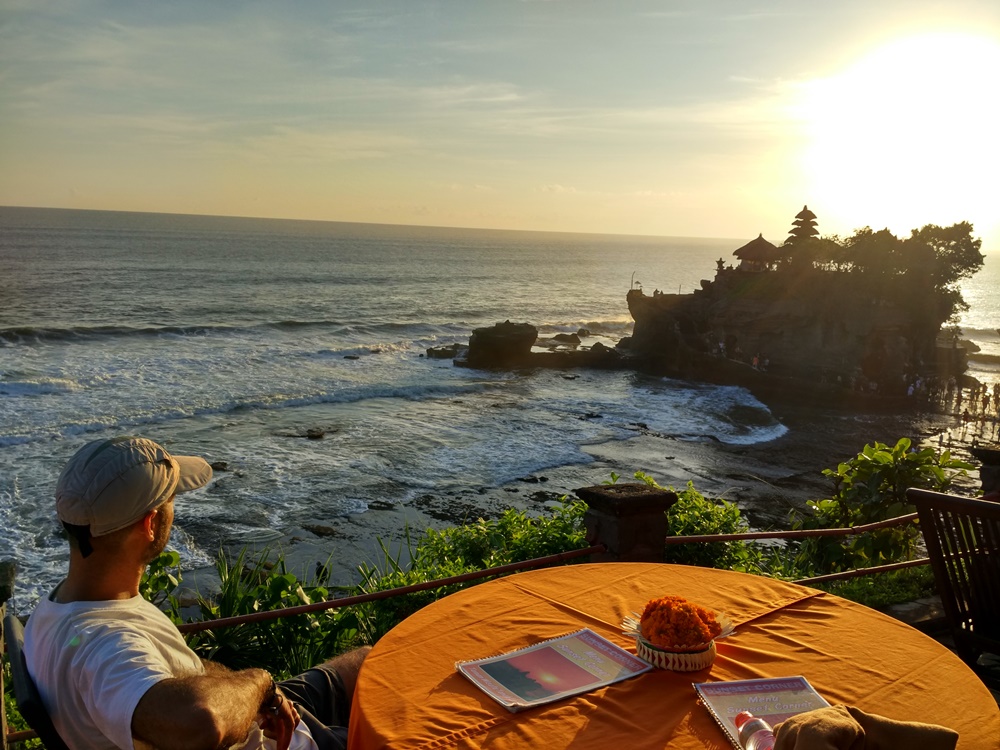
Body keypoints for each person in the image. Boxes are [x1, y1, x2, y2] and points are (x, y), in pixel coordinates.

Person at [24, 436, 369, 750]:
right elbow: (202, 722)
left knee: (367, 660)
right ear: (149, 523)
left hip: (255, 714)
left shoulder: (56, 609)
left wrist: (256, 693)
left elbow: (170, 672)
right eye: (172, 501)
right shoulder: (106, 647)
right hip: (281, 742)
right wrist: (260, 682)